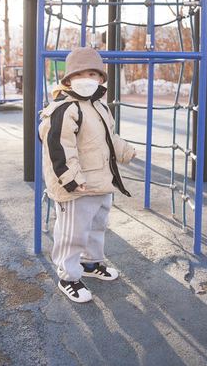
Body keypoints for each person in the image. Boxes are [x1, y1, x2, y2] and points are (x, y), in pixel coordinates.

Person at [38, 47, 136, 303]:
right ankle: (68, 276)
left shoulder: (99, 106)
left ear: (101, 79)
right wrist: (70, 179)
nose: (86, 79)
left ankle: (91, 263)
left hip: (99, 182)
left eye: (92, 74)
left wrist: (125, 151)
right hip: (76, 186)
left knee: (96, 225)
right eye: (79, 74)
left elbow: (108, 137)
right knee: (73, 232)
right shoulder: (64, 109)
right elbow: (59, 147)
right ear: (68, 80)